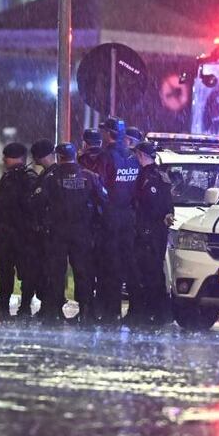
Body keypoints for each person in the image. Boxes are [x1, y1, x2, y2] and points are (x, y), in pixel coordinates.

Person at [39, 143, 107, 325]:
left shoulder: (52, 178)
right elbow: (103, 201)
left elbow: (39, 203)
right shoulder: (90, 177)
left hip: (58, 233)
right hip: (82, 233)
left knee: (56, 272)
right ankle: (86, 311)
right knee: (83, 272)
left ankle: (54, 312)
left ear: (59, 157)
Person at [95, 117, 141, 324]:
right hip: (128, 217)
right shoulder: (132, 156)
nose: (102, 134)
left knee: (110, 265)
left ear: (109, 133)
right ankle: (136, 309)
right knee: (129, 264)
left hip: (110, 217)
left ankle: (111, 311)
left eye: (104, 131)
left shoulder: (106, 156)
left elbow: (100, 186)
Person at [0, 143, 37, 319]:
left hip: (23, 235)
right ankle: (3, 307)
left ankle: (24, 308)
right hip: (6, 235)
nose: (3, 160)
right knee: (5, 273)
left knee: (26, 273)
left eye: (6, 156)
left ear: (17, 158)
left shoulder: (28, 178)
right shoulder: (8, 177)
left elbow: (29, 207)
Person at [130, 141, 174, 327]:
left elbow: (152, 206)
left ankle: (154, 313)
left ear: (141, 155)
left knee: (149, 273)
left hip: (149, 232)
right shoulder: (161, 175)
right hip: (155, 231)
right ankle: (156, 312)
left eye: (136, 155)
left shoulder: (150, 178)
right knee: (153, 272)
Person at [26, 140, 57, 317]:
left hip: (48, 231)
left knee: (48, 270)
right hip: (46, 230)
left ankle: (50, 306)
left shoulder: (51, 176)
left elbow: (40, 201)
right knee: (45, 270)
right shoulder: (47, 174)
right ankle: (49, 305)